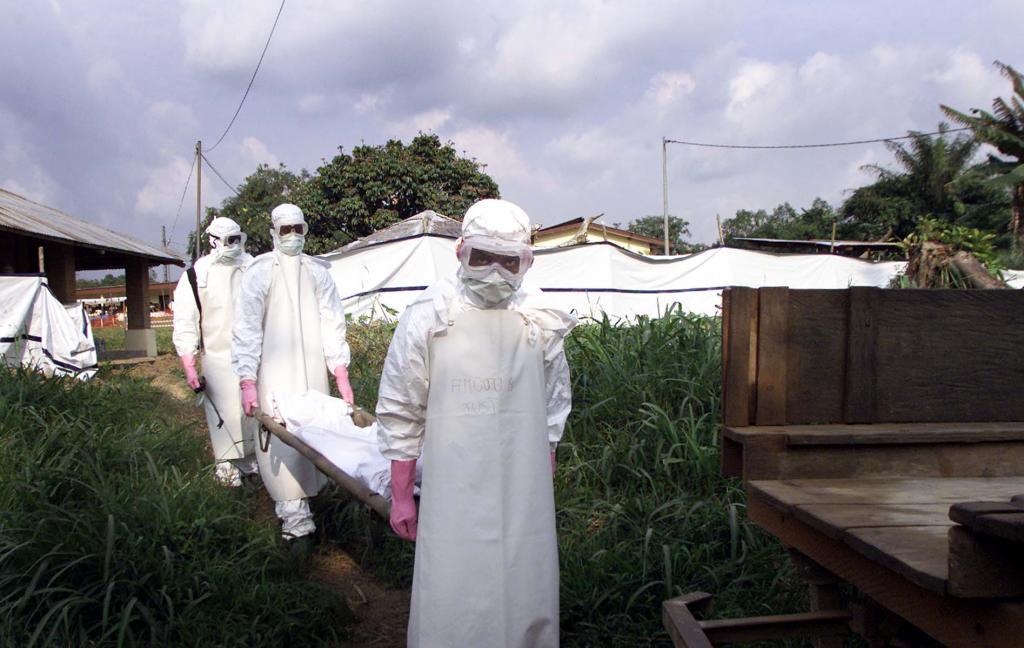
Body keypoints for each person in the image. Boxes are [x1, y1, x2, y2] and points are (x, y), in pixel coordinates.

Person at [377, 199, 577, 648]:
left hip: (521, 487)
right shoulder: (428, 317)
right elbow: (401, 408)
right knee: (454, 585)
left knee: (522, 577)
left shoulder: (539, 322)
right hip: (453, 489)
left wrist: (546, 464)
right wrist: (402, 496)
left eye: (509, 262)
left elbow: (552, 405)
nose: (494, 273)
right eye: (481, 258)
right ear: (460, 251)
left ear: (526, 261)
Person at [232, 203, 354, 540]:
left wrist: (339, 370)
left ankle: (316, 505)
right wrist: (246, 378)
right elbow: (247, 329)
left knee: (315, 433)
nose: (292, 236)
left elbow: (333, 323)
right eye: (286, 230)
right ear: (273, 231)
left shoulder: (317, 272)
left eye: (298, 230)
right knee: (281, 441)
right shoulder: (259, 273)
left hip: (312, 372)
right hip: (272, 375)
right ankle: (294, 521)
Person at [172, 216, 258, 487]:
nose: (233, 245)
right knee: (223, 415)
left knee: (252, 413)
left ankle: (255, 466)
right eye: (228, 240)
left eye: (237, 239)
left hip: (254, 354)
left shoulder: (253, 267)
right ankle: (228, 470)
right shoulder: (196, 275)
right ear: (213, 241)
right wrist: (189, 363)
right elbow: (185, 320)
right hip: (217, 357)